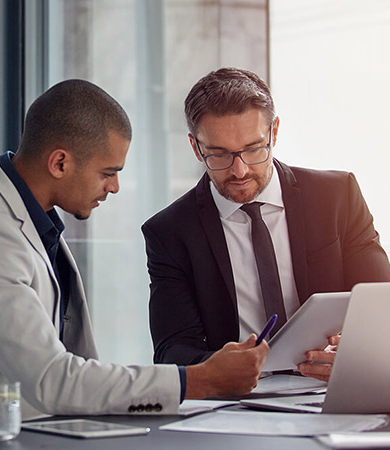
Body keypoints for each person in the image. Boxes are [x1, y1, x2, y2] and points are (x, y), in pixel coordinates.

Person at [0, 79, 269, 433]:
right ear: (60, 162)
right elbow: (52, 379)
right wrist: (199, 380)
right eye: (108, 173)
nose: (114, 187)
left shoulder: (34, 223)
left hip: (37, 434)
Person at [142, 68, 390, 381]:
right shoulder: (170, 232)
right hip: (237, 402)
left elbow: (383, 304)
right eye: (219, 155)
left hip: (335, 388)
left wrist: (354, 351)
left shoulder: (337, 196)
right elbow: (172, 349)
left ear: (274, 132)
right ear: (196, 147)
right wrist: (218, 367)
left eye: (253, 149)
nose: (240, 170)